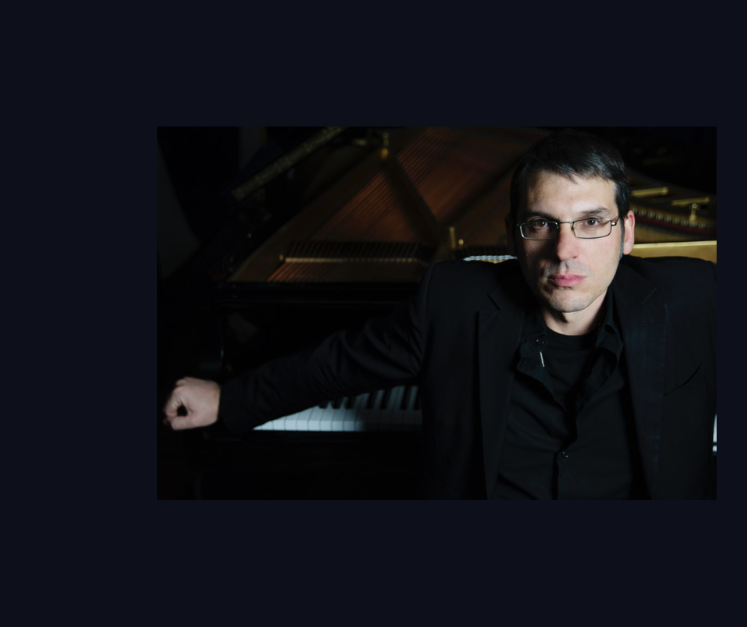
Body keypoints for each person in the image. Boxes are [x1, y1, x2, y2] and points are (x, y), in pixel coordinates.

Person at [164, 129, 716, 499]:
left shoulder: (693, 297)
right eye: (541, 224)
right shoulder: (453, 302)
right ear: (513, 237)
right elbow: (335, 365)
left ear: (627, 233)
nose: (564, 251)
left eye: (592, 222)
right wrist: (229, 399)